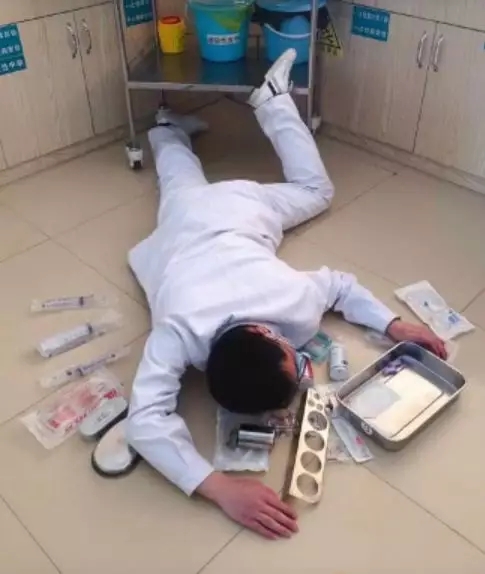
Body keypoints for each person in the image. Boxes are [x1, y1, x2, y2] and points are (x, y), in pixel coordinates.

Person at [126, 49, 447, 540]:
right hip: (187, 219)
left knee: (314, 191)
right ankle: (169, 125)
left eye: (293, 360)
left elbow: (340, 285)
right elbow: (144, 421)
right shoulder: (177, 331)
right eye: (301, 367)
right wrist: (220, 486)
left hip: (233, 211)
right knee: (177, 182)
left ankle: (267, 101)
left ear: (263, 332)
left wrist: (394, 324)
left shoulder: (281, 302)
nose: (305, 366)